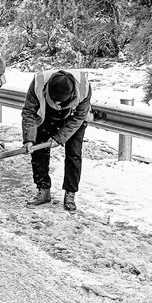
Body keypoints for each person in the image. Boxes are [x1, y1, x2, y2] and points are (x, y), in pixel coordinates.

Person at [22, 69, 92, 212]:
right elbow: (29, 112)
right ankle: (43, 190)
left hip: (74, 118)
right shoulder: (38, 83)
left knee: (74, 154)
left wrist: (59, 138)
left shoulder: (83, 87)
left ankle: (70, 194)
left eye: (61, 101)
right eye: (55, 99)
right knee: (38, 150)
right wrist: (29, 139)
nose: (58, 103)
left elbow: (79, 117)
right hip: (47, 115)